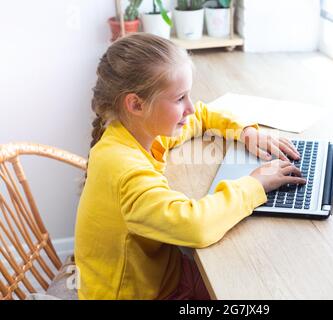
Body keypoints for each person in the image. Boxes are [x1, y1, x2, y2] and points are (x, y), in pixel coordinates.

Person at [74, 33, 306, 300]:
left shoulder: (139, 133)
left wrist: (246, 133)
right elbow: (196, 226)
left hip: (162, 271)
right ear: (136, 104)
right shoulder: (125, 170)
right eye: (180, 98)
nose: (191, 108)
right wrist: (255, 184)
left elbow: (202, 117)